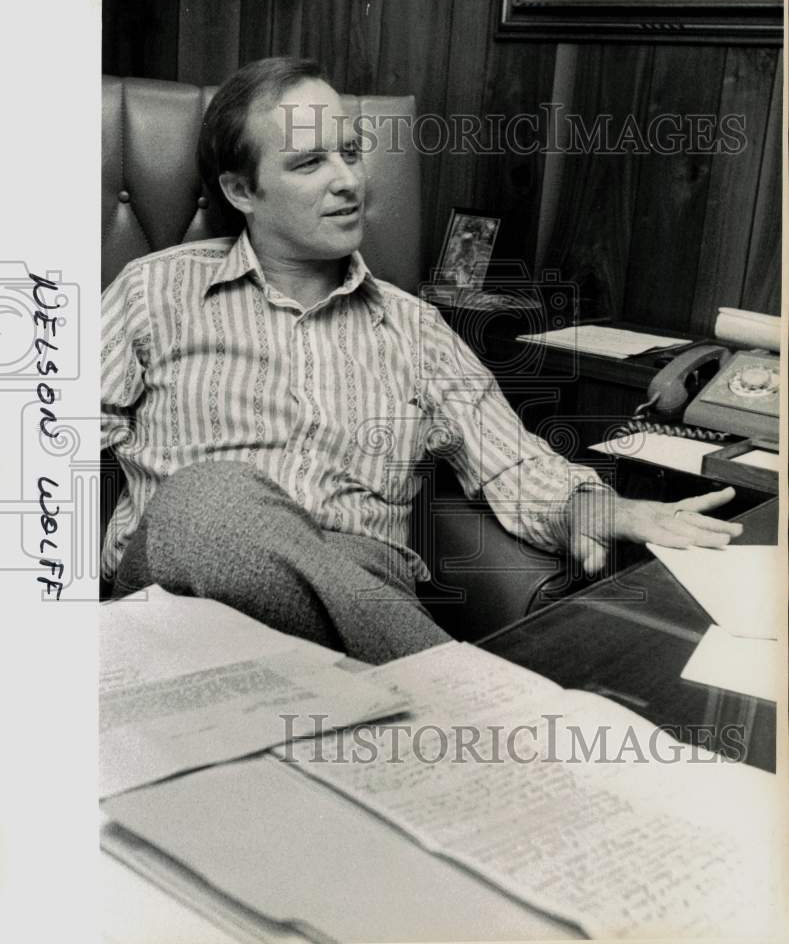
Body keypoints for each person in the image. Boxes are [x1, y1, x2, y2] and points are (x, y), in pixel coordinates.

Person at [101, 57, 742, 664]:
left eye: (350, 152)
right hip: (174, 602)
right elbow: (42, 437)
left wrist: (597, 509)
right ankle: (449, 688)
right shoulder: (152, 291)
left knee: (238, 523)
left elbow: (510, 460)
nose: (349, 180)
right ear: (241, 190)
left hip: (362, 590)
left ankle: (400, 689)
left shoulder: (414, 329)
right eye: (310, 162)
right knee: (209, 499)